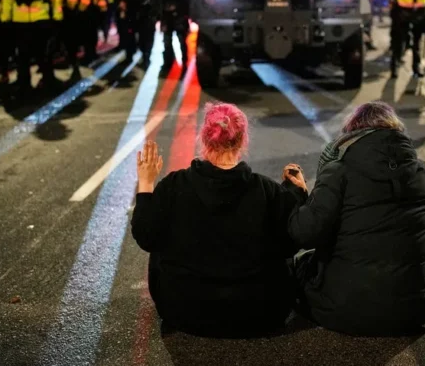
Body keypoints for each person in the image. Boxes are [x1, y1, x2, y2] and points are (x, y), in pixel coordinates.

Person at [131, 102, 308, 337]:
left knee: (159, 239)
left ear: (204, 138)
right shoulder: (267, 190)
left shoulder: (174, 186)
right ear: (242, 139)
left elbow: (146, 237)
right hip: (261, 312)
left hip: (184, 311)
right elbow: (291, 244)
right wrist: (297, 195)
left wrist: (146, 183)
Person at [288, 102, 425, 336]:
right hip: (416, 310)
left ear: (352, 134)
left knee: (304, 264)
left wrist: (298, 195)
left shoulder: (338, 171)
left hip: (344, 311)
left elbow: (305, 233)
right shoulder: (420, 169)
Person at [1, 0, 63, 94]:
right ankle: (24, 86)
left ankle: (48, 82)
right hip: (21, 24)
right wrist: (6, 20)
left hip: (41, 22)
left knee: (43, 56)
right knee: (23, 57)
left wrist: (57, 17)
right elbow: (7, 0)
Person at [65, 0, 106, 79]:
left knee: (89, 34)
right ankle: (89, 54)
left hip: (89, 10)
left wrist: (80, 10)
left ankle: (90, 55)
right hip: (86, 10)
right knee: (86, 34)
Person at [159, 0, 190, 78]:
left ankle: (184, 65)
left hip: (179, 15)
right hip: (167, 16)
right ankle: (168, 64)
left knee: (182, 41)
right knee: (167, 41)